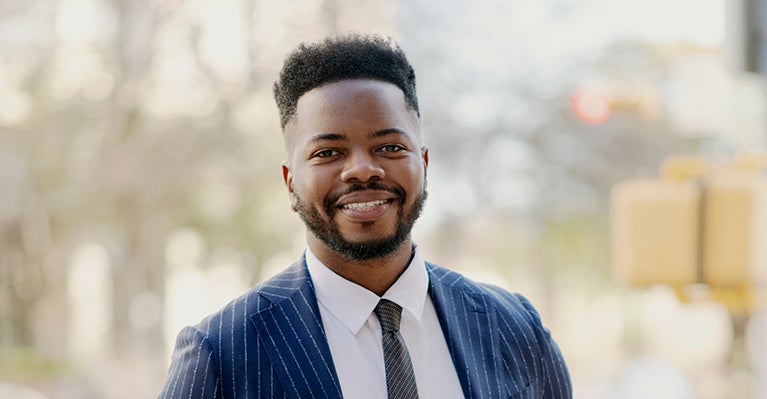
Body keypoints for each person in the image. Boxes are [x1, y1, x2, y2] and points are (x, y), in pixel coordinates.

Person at [158, 34, 572, 399]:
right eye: (328, 152)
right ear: (290, 182)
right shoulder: (222, 353)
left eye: (389, 147)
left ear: (424, 164)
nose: (362, 169)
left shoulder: (514, 328)